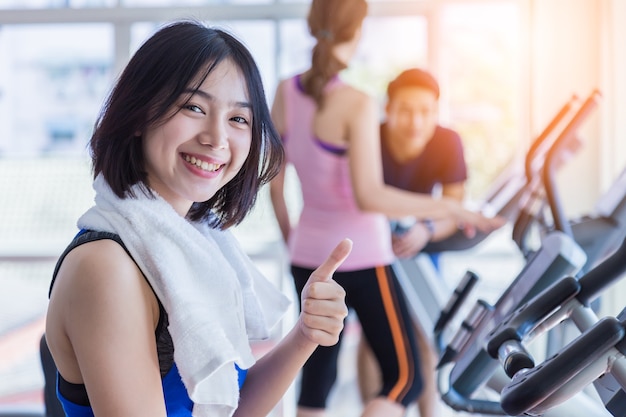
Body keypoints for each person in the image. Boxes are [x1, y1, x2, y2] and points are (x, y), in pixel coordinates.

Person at [44, 20, 353, 417]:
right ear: (139, 114)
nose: (217, 138)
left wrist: (305, 335)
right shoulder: (106, 266)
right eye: (193, 107)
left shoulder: (197, 243)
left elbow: (231, 408)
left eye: (238, 119)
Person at [268, 2, 504, 417]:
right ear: (356, 31)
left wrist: (293, 237)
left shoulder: (286, 91)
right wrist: (459, 212)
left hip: (308, 254)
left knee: (317, 377)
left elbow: (274, 177)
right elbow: (369, 197)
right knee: (404, 378)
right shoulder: (357, 103)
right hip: (361, 255)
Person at [356, 67, 470, 417]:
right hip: (370, 240)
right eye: (406, 110)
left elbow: (454, 211)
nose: (416, 121)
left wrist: (425, 230)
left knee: (425, 334)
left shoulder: (447, 141)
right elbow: (352, 198)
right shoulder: (367, 139)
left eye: (426, 111)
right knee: (374, 336)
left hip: (420, 243)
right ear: (388, 108)